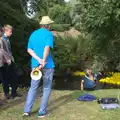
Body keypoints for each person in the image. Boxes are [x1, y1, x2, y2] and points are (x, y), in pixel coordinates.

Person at [23, 16, 55, 118]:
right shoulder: (49, 34)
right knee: (46, 87)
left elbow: (29, 49)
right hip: (48, 65)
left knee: (33, 87)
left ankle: (27, 111)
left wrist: (38, 59)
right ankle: (42, 112)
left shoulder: (33, 34)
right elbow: (47, 48)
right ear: (49, 25)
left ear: (41, 24)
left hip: (35, 66)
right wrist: (43, 61)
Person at [0, 25, 21, 99]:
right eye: (10, 32)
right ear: (5, 31)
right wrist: (7, 59)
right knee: (4, 78)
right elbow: (2, 51)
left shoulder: (7, 39)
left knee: (14, 76)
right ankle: (7, 93)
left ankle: (14, 92)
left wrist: (11, 59)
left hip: (10, 60)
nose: (11, 33)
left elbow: (8, 51)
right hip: (4, 62)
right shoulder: (1, 39)